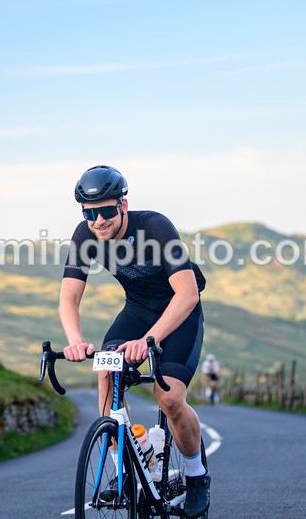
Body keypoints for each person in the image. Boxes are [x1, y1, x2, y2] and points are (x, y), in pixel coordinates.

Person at [60, 165, 209, 518]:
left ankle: (196, 476)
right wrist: (76, 340)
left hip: (178, 312)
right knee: (107, 373)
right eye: (89, 213)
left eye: (107, 211)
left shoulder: (155, 227)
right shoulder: (86, 235)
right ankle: (124, 468)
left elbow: (187, 294)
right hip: (138, 310)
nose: (98, 220)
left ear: (123, 206)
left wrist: (150, 339)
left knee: (170, 398)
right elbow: (69, 298)